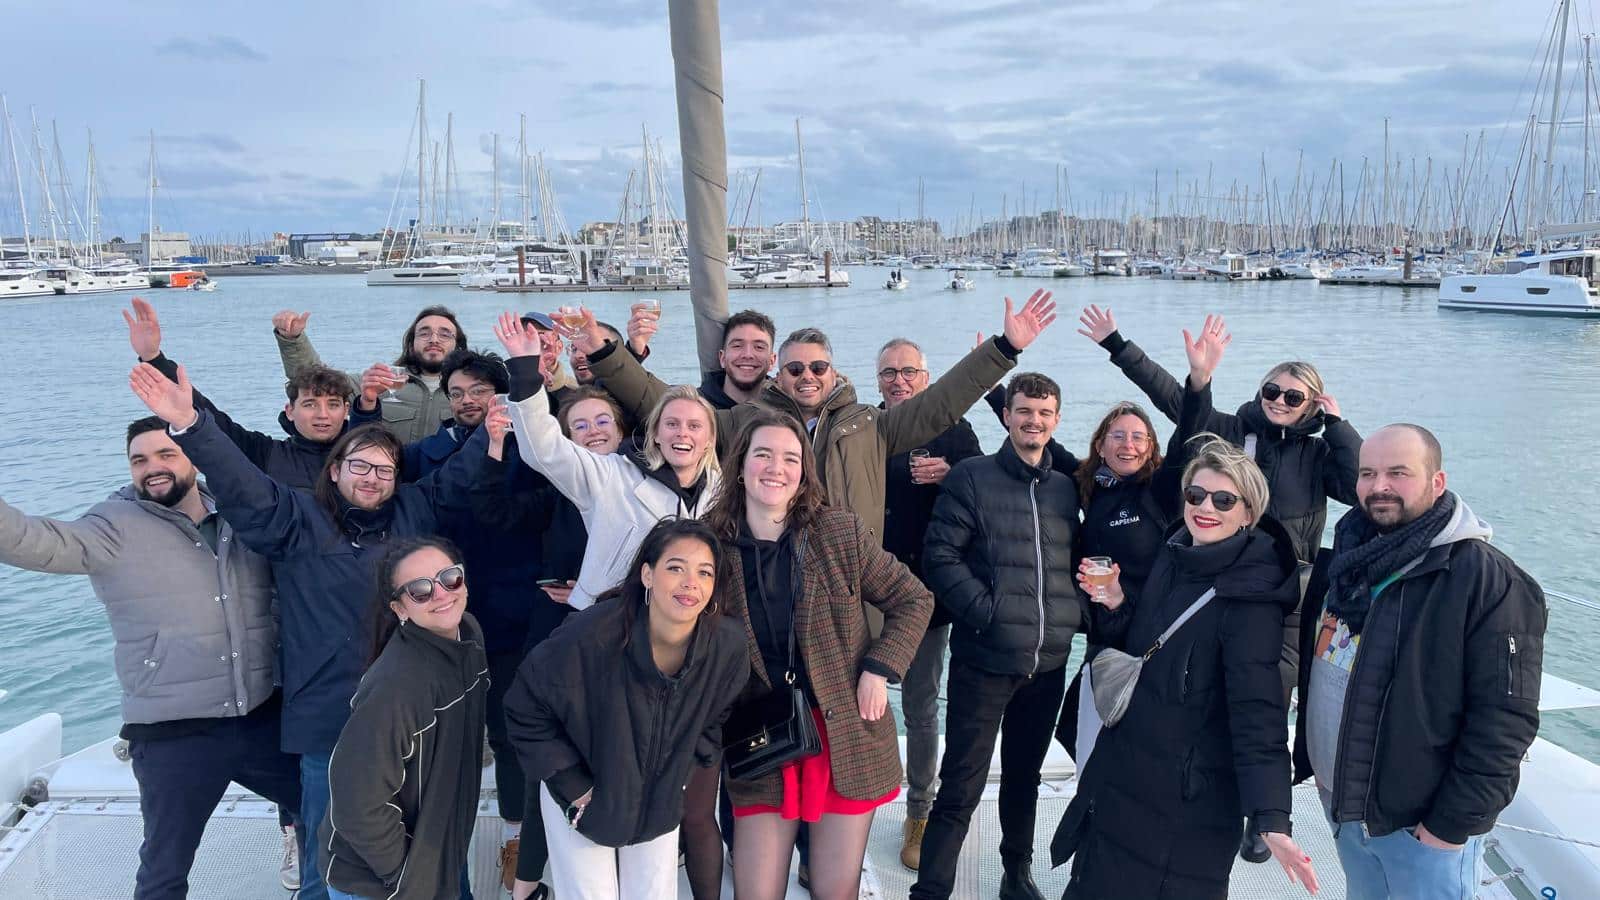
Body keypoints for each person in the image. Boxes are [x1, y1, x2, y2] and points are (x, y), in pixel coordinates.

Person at [129, 362, 491, 900]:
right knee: (330, 858)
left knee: (439, 838)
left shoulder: (413, 510)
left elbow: (461, 475)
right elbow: (241, 481)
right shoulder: (297, 519)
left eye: (385, 469)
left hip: (419, 718)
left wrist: (512, 406)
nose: (372, 477)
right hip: (331, 721)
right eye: (360, 465)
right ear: (335, 469)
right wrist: (190, 425)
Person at [0, 417, 301, 900]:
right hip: (173, 734)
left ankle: (300, 851)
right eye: (139, 460)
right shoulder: (112, 525)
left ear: (194, 458)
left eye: (165, 455)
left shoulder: (240, 513)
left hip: (262, 717)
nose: (152, 468)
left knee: (324, 812)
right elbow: (33, 541)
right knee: (165, 870)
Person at [1049, 436, 1319, 900]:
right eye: (1196, 495)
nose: (1205, 507)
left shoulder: (1250, 598)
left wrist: (1272, 817)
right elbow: (1146, 647)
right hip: (1124, 777)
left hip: (1186, 805)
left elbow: (1258, 712)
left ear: (1248, 512)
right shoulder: (1174, 554)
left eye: (1224, 500)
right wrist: (1117, 603)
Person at [582, 290, 1058, 545]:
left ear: (833, 372)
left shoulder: (871, 425)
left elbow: (940, 403)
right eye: (795, 369)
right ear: (779, 374)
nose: (807, 376)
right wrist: (607, 354)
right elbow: (671, 407)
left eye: (817, 367)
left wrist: (1003, 349)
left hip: (847, 576)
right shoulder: (746, 421)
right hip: (773, 565)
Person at [1294, 424, 1546, 900]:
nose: (1379, 486)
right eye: (1367, 473)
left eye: (1398, 473)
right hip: (1347, 806)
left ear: (1437, 481)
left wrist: (1448, 827)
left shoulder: (1486, 580)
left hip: (1418, 829)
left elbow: (1505, 721)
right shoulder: (1348, 559)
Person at [706, 410, 933, 900]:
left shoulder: (838, 533)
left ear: (804, 471)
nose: (776, 468)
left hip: (842, 731)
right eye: (763, 454)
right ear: (740, 465)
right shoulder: (709, 544)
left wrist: (879, 668)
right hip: (759, 735)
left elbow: (914, 600)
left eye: (791, 458)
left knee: (835, 889)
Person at [1080, 306, 1360, 699]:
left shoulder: (1317, 455)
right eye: (1272, 391)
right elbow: (1174, 400)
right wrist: (1119, 345)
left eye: (1293, 397)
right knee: (1209, 685)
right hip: (1223, 580)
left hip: (1287, 591)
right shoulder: (1231, 430)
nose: (1279, 401)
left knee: (1268, 691)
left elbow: (1358, 488)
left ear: (1311, 405)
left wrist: (1338, 426)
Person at [503, 518, 750, 900]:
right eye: (676, 568)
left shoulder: (725, 647)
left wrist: (681, 769)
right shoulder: (593, 636)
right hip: (585, 793)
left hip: (658, 797)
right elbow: (524, 705)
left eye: (704, 572)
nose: (691, 583)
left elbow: (716, 714)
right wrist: (574, 786)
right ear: (647, 575)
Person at [911, 372, 1083, 900]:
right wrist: (987, 613)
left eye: (1044, 413)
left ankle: (1016, 875)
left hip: (1048, 664)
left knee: (1024, 778)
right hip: (984, 660)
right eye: (1024, 410)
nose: (1034, 421)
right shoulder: (971, 477)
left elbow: (1073, 560)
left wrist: (1070, 616)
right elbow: (940, 555)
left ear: (1056, 420)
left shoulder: (1065, 488)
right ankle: (931, 890)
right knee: (961, 784)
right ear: (1006, 415)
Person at [496, 310, 723, 609]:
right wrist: (525, 372)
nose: (682, 433)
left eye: (694, 426)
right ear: (655, 434)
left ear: (709, 439)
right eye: (671, 424)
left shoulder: (721, 492)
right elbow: (544, 448)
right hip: (611, 619)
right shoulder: (610, 476)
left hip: (686, 620)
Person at [320, 538, 488, 900]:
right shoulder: (396, 687)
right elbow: (357, 804)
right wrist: (409, 876)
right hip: (380, 883)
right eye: (420, 591)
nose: (441, 594)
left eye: (449, 578)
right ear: (400, 609)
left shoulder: (469, 635)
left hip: (439, 854)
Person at [874, 337, 984, 872]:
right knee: (851, 702)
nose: (899, 381)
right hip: (864, 592)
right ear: (878, 381)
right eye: (889, 373)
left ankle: (919, 811)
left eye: (908, 372)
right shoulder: (865, 427)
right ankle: (852, 800)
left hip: (924, 599)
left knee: (920, 707)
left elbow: (988, 494)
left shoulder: (956, 431)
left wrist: (951, 475)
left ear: (926, 377)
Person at [129, 297, 356, 492]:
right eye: (310, 404)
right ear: (290, 411)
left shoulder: (367, 451)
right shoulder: (267, 455)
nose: (322, 414)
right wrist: (154, 358)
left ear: (346, 409)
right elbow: (214, 423)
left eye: (333, 404)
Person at [271, 306, 467, 444]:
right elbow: (314, 379)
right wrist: (293, 339)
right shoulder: (378, 383)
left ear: (458, 345)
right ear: (410, 343)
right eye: (424, 333)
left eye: (444, 334)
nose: (434, 339)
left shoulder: (472, 392)